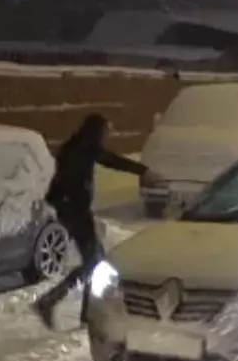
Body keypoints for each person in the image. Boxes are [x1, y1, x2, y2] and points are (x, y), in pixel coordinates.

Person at [33, 115, 155, 329]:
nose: (107, 136)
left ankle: (78, 310)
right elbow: (111, 160)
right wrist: (142, 170)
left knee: (96, 261)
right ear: (96, 131)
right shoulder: (84, 149)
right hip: (75, 210)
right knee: (95, 262)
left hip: (69, 208)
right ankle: (58, 304)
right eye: (106, 131)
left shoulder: (74, 147)